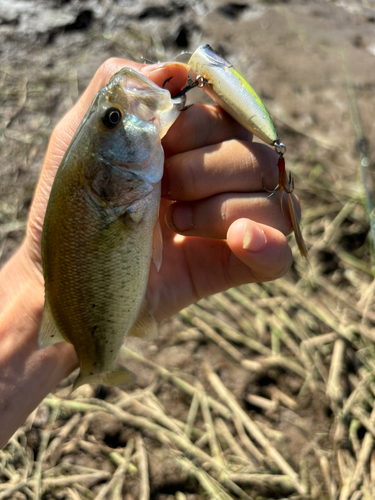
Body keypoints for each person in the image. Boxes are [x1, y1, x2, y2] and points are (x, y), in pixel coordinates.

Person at [0, 58, 295, 448]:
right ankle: (97, 362)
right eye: (113, 119)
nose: (123, 114)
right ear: (102, 177)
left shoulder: (115, 189)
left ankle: (96, 361)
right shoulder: (105, 190)